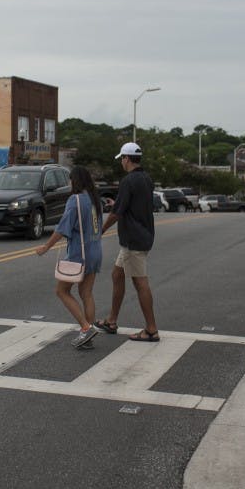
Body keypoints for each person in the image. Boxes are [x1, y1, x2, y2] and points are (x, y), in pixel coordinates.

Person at [96, 142, 159, 342]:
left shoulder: (128, 181)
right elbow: (132, 205)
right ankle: (111, 320)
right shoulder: (146, 179)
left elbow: (117, 213)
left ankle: (151, 329)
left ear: (127, 158)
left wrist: (101, 230)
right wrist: (119, 204)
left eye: (122, 158)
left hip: (134, 239)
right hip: (141, 235)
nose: (121, 162)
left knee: (140, 282)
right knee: (117, 274)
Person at [35, 166, 104, 349]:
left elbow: (62, 228)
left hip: (79, 253)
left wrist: (46, 247)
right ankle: (88, 335)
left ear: (76, 181)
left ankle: (85, 327)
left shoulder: (75, 200)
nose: (69, 183)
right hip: (95, 250)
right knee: (86, 293)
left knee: (62, 291)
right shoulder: (95, 199)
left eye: (70, 179)